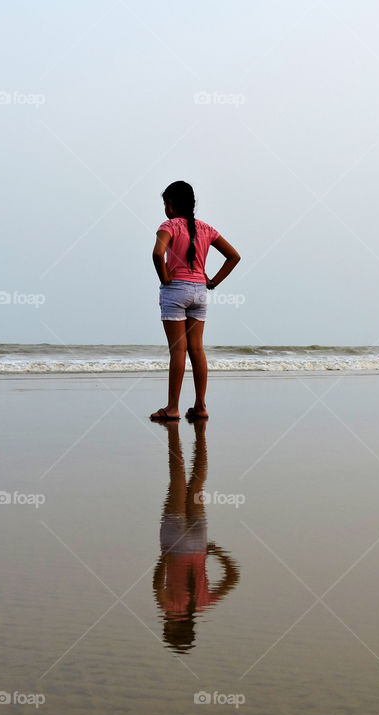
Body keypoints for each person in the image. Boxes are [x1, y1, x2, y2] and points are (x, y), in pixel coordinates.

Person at [150, 181, 241, 422]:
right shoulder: (206, 229)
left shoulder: (169, 226)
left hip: (176, 290)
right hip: (200, 291)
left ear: (171, 205)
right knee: (197, 349)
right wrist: (213, 282)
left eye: (165, 204)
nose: (165, 209)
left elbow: (158, 254)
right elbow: (234, 256)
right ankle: (200, 406)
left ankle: (172, 408)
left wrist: (165, 277)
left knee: (178, 350)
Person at [153, 420, 239, 653]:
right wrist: (163, 558)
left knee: (197, 484)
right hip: (174, 544)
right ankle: (174, 432)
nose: (164, 625)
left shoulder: (203, 604)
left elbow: (234, 577)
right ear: (173, 627)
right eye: (167, 630)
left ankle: (200, 434)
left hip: (199, 542)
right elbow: (157, 585)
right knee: (177, 479)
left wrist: (215, 551)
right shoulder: (168, 606)